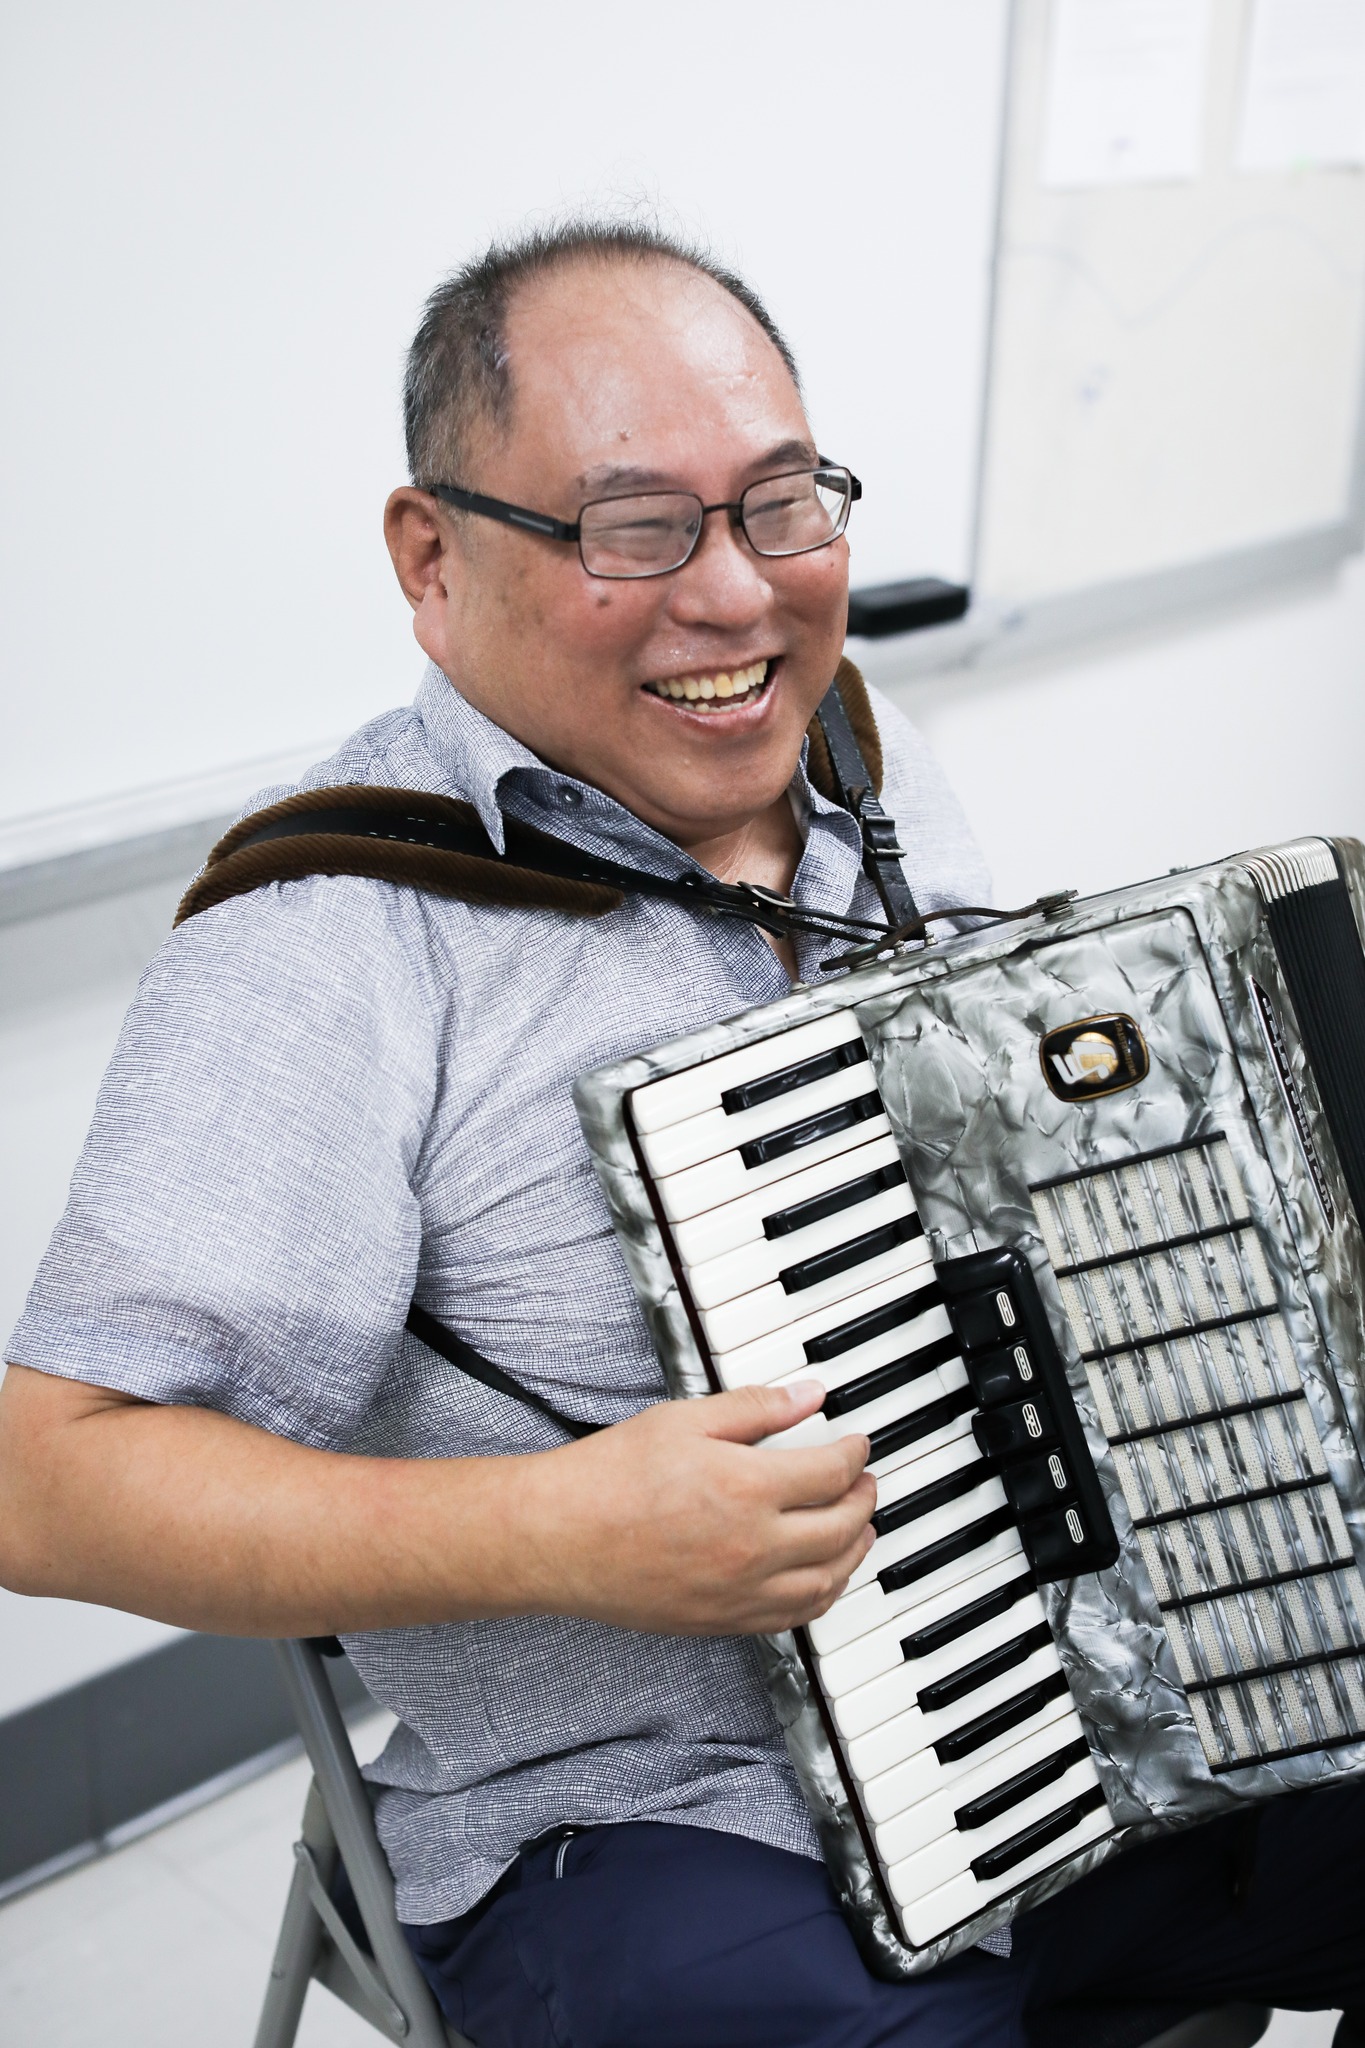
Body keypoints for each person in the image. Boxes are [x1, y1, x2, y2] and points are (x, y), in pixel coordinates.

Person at [0, 221, 1360, 2048]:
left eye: (783, 505)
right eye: (634, 529)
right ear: (432, 555)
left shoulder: (863, 762)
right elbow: (48, 1474)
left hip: (1099, 1682)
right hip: (660, 1817)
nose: (734, 598)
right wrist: (559, 1530)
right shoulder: (325, 942)